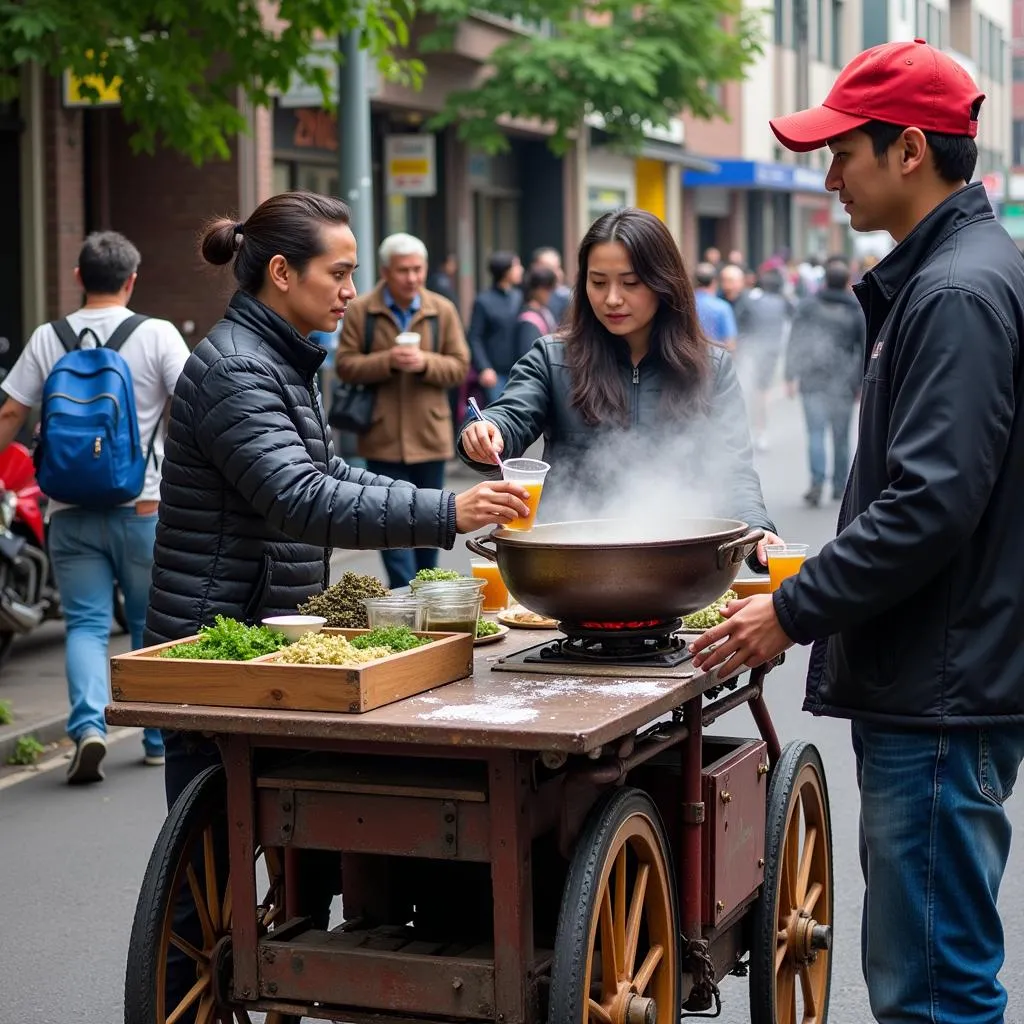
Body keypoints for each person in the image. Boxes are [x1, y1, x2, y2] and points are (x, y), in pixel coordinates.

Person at [690, 39, 1024, 1024]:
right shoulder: (958, 272)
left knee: (929, 987)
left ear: (909, 149)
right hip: (946, 674)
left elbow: (929, 503)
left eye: (842, 152)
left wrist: (789, 610)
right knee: (935, 971)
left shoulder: (955, 290)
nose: (827, 175)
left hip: (940, 688)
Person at [145, 191, 530, 1020]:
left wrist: (446, 502)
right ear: (282, 273)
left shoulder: (276, 357)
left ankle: (300, 961)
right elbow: (299, 496)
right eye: (340, 271)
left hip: (265, 641)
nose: (350, 289)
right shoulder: (239, 368)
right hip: (220, 653)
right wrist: (444, 512)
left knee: (288, 863)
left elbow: (336, 477)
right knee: (199, 892)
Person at [458, 208, 781, 566]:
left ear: (664, 283)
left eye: (630, 283)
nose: (612, 298)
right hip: (571, 561)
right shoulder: (552, 357)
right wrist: (486, 431)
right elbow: (510, 415)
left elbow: (733, 468)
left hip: (680, 561)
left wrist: (757, 527)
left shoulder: (711, 366)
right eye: (598, 282)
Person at [0, 231, 189, 783]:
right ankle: (155, 735)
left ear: (80, 277)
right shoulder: (157, 334)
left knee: (84, 624)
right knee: (146, 623)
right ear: (132, 280)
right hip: (143, 506)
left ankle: (88, 727)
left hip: (67, 508)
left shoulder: (46, 337)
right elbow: (195, 403)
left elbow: (12, 415)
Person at [334, 232, 470, 589]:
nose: (411, 278)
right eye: (403, 270)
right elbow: (345, 365)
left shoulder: (442, 309)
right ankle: (405, 600)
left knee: (434, 527)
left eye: (418, 269)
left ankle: (426, 597)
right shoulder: (362, 310)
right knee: (391, 528)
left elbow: (459, 366)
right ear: (385, 271)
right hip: (382, 437)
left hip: (430, 435)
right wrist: (388, 361)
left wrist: (424, 362)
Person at [784, 256, 865, 507]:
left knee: (815, 433)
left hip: (812, 378)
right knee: (841, 437)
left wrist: (790, 375)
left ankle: (817, 482)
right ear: (846, 283)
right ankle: (840, 486)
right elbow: (864, 347)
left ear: (825, 280)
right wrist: (861, 382)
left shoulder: (809, 305)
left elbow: (795, 339)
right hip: (844, 381)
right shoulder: (855, 309)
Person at [735, 266, 792, 450]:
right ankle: (761, 432)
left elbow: (739, 322)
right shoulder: (783, 302)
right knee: (761, 393)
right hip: (771, 352)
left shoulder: (751, 300)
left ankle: (749, 431)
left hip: (751, 351)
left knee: (747, 391)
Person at [466, 251, 523, 404]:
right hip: (495, 373)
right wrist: (484, 368)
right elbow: (474, 337)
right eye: (516, 266)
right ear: (506, 271)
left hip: (518, 370)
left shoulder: (519, 297)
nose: (521, 270)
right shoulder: (483, 301)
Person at [514, 265, 559, 360]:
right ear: (538, 289)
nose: (550, 294)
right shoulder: (529, 319)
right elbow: (528, 356)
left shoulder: (545, 311)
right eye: (548, 289)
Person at [693, 262, 737, 351]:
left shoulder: (685, 304)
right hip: (714, 360)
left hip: (688, 358)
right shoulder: (722, 307)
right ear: (714, 282)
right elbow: (730, 342)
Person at [530, 246, 572, 324]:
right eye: (550, 268)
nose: (557, 273)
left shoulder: (567, 297)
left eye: (558, 267)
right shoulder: (522, 296)